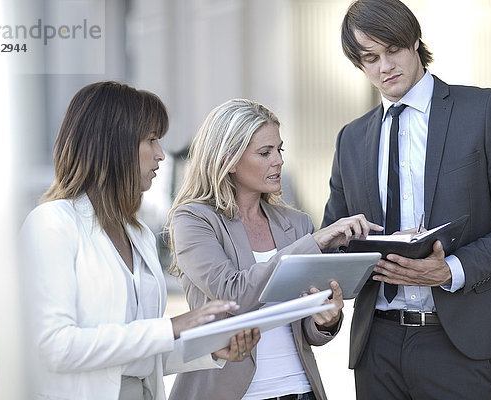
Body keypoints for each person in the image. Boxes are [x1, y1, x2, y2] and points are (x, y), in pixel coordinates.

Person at [322, 0, 491, 398]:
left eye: (393, 50)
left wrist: (450, 270)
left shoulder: (484, 110)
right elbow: (334, 241)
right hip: (377, 347)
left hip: (457, 344)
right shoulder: (350, 139)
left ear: (414, 42)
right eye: (370, 58)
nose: (384, 66)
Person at [20, 81, 260, 400]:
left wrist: (211, 348)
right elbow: (56, 347)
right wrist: (171, 327)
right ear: (114, 144)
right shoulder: (52, 224)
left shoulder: (138, 234)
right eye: (151, 140)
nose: (161, 154)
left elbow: (142, 356)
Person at [166, 98, 382, 400]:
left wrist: (326, 320)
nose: (278, 160)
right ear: (228, 160)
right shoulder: (193, 220)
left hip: (300, 390)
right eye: (265, 152)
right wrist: (315, 243)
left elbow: (306, 327)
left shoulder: (296, 223)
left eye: (279, 150)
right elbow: (233, 294)